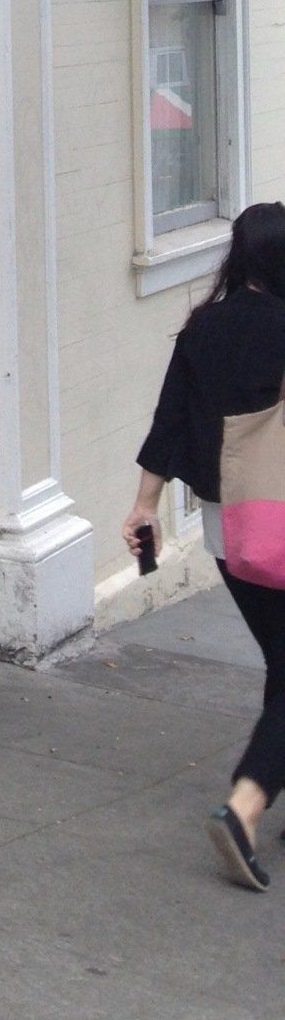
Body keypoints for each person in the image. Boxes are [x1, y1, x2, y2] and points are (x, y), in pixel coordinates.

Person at [127, 200, 285, 891]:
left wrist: (144, 507)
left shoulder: (202, 329)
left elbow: (168, 421)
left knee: (283, 658)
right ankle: (244, 808)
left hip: (232, 531)